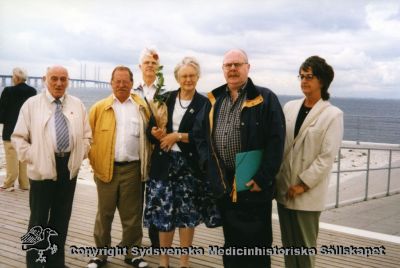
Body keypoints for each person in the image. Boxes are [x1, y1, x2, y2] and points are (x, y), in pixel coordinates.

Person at [193, 49, 285, 268]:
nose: (232, 69)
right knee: (232, 245)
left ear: (248, 67)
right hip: (225, 183)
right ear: (223, 70)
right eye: (228, 65)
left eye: (237, 64)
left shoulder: (265, 98)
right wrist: (209, 166)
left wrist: (263, 178)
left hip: (253, 185)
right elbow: (199, 135)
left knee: (257, 247)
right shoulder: (214, 100)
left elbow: (276, 141)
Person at [11, 65, 91, 267]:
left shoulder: (77, 104)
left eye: (63, 79)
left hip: (68, 167)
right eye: (54, 78)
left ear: (68, 81)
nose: (59, 83)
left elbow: (87, 136)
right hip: (41, 168)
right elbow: (18, 138)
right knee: (38, 220)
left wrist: (80, 153)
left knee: (61, 219)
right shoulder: (31, 105)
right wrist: (36, 157)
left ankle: (56, 262)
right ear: (45, 79)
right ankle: (36, 264)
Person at [144, 57, 218, 268]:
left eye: (192, 75)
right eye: (184, 76)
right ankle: (164, 260)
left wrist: (177, 136)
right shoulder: (165, 98)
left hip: (189, 166)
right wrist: (156, 133)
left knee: (187, 215)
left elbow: (205, 136)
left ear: (198, 76)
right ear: (177, 78)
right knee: (164, 214)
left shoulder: (205, 104)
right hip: (163, 165)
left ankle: (184, 261)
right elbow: (150, 129)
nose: (188, 79)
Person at [276, 56, 344, 268]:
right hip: (285, 188)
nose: (304, 81)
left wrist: (302, 185)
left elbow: (326, 157)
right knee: (289, 246)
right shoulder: (289, 107)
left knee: (304, 249)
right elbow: (279, 143)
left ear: (322, 81)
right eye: (302, 76)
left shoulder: (332, 115)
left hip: (307, 192)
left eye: (310, 77)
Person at [88, 66, 151, 268]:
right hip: (106, 169)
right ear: (111, 83)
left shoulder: (142, 107)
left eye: (126, 81)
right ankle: (100, 255)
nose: (122, 85)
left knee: (132, 215)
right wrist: (95, 162)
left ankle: (133, 254)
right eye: (118, 81)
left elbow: (150, 138)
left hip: (133, 169)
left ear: (132, 84)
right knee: (104, 214)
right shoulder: (99, 107)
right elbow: (88, 138)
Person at [134, 47, 161, 247]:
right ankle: (134, 241)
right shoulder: (133, 92)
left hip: (159, 152)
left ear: (157, 67)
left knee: (157, 199)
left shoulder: (166, 92)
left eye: (153, 63)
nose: (150, 66)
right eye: (146, 63)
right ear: (140, 67)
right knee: (135, 201)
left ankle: (156, 241)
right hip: (137, 152)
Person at [0, 67, 36, 192]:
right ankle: (25, 184)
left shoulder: (8, 91)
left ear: (16, 77)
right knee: (24, 157)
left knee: (11, 157)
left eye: (12, 76)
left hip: (10, 130)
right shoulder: (32, 91)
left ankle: (9, 183)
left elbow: (1, 113)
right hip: (27, 130)